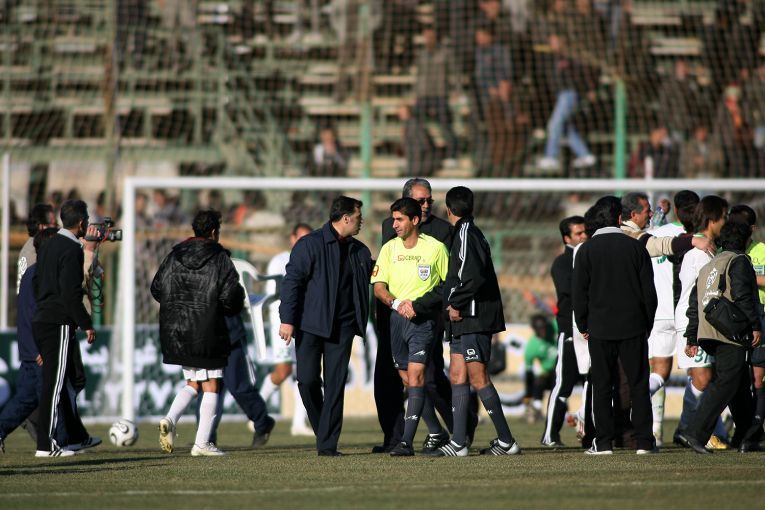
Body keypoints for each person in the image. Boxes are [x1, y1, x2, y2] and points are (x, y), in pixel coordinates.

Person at [374, 178, 472, 454]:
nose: (427, 204)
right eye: (421, 200)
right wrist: (395, 304)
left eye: (429, 200)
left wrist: (422, 306)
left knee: (426, 377)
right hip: (396, 317)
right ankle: (430, 432)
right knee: (405, 378)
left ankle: (455, 430)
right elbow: (383, 278)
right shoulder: (390, 234)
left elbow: (449, 281)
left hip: (427, 317)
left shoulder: (441, 236)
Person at [278, 196, 373, 456]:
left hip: (343, 328)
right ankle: (324, 430)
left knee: (335, 385)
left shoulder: (360, 251)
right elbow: (292, 283)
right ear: (346, 218)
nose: (361, 222)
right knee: (307, 381)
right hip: (310, 325)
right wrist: (287, 319)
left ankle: (328, 445)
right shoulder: (309, 245)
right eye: (358, 217)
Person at [433, 186, 520, 457]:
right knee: (457, 375)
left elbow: (472, 277)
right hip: (463, 319)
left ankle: (506, 441)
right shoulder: (466, 232)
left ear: (448, 209)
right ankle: (459, 442)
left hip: (472, 317)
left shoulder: (467, 234)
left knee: (478, 377)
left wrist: (455, 303)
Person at [151, 209, 245, 456]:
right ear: (214, 232)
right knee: (212, 384)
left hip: (178, 332)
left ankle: (170, 419)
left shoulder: (174, 255)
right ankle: (202, 443)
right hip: (208, 330)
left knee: (193, 383)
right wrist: (229, 306)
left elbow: (157, 288)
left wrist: (178, 307)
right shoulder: (220, 258)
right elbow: (231, 297)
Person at [572, 195, 657, 455]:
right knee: (638, 384)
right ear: (620, 218)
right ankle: (644, 442)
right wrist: (646, 325)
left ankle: (604, 442)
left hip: (599, 328)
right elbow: (649, 294)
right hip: (633, 326)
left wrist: (583, 324)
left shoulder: (586, 250)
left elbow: (579, 294)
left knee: (602, 385)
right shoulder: (635, 248)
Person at [678, 220, 762, 453]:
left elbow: (694, 304)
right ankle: (694, 433)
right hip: (729, 329)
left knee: (738, 382)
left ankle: (747, 437)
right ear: (746, 240)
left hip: (709, 330)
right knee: (727, 381)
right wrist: (754, 325)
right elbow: (742, 295)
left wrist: (692, 337)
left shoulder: (710, 265)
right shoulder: (739, 260)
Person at [32, 200, 100, 457]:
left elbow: (36, 282)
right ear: (81, 223)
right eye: (87, 220)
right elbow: (71, 294)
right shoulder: (72, 249)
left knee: (62, 383)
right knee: (55, 385)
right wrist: (86, 323)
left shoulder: (48, 244)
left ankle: (72, 438)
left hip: (41, 319)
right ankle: (46, 445)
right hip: (57, 322)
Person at [0, 228, 66, 453]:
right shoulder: (40, 275)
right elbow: (34, 315)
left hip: (30, 348)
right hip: (38, 350)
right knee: (50, 397)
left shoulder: (33, 272)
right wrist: (40, 348)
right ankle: (54, 444)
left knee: (25, 399)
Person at [673, 195, 729, 449]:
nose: (725, 221)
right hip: (692, 321)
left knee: (709, 377)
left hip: (706, 321)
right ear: (712, 219)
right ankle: (690, 430)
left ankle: (691, 429)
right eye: (723, 217)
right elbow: (697, 294)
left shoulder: (711, 249)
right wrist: (692, 331)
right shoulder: (698, 253)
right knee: (702, 377)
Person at [646, 190, 700, 446]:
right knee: (698, 374)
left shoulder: (655, 234)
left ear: (676, 210)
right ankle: (691, 428)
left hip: (658, 313)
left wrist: (659, 212)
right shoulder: (700, 237)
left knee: (659, 373)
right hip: (687, 313)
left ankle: (655, 430)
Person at [260, 223, 314, 436]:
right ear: (292, 238)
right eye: (301, 237)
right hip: (282, 322)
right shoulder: (280, 260)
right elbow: (277, 293)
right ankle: (256, 410)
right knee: (283, 370)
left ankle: (299, 423)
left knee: (305, 371)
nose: (304, 242)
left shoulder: (313, 258)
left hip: (305, 321)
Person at [541, 215, 587, 447]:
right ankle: (550, 434)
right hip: (570, 330)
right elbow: (571, 290)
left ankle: (590, 431)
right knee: (563, 384)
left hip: (592, 330)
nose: (584, 236)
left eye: (585, 232)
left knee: (593, 382)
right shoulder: (562, 263)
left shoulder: (590, 256)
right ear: (567, 238)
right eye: (579, 233)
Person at [727, 205, 765, 439]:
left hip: (760, 316)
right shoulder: (727, 250)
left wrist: (748, 277)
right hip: (733, 319)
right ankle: (741, 427)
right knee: (736, 376)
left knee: (758, 377)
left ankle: (755, 429)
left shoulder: (761, 250)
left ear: (752, 228)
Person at [413, 26, 459, 167]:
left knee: (445, 124)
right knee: (415, 124)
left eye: (430, 37)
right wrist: (415, 93)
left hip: (440, 94)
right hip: (423, 95)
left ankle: (452, 155)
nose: (428, 40)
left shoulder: (446, 53)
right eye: (426, 37)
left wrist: (456, 91)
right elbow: (418, 75)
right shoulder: (421, 54)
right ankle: (422, 152)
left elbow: (453, 73)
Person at [523, 315, 558, 424]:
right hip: (550, 373)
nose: (543, 331)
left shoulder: (555, 326)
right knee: (539, 380)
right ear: (534, 329)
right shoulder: (532, 347)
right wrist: (528, 396)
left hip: (567, 367)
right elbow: (529, 374)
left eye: (544, 327)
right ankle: (537, 408)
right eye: (539, 328)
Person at [17, 204, 57, 295]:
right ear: (41, 226)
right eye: (54, 224)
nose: (58, 229)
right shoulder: (34, 252)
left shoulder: (30, 247)